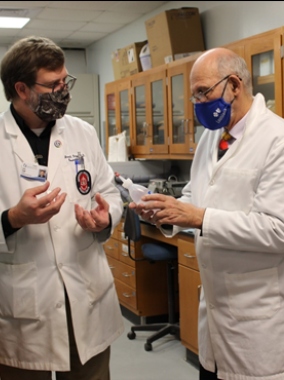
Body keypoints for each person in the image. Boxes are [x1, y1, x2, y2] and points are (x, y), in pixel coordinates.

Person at [131, 47, 284, 380]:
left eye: (204, 92)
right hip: (218, 319)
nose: (199, 103)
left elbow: (277, 231)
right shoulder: (212, 137)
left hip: (263, 322)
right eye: (194, 96)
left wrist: (199, 217)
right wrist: (166, 210)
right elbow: (197, 194)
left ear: (234, 85)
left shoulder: (279, 140)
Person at [0, 36, 124, 379]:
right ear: (22, 89)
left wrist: (105, 217)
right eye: (53, 84)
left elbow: (109, 193)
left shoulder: (83, 133)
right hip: (24, 305)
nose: (64, 90)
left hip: (86, 295)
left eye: (65, 81)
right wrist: (13, 218)